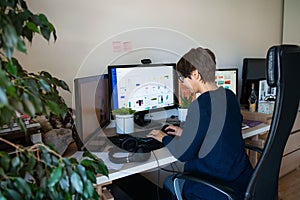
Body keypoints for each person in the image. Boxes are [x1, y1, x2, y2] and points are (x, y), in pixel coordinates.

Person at [147, 47, 253, 200]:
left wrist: (163, 137)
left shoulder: (199, 105)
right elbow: (221, 131)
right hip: (241, 181)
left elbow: (184, 154)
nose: (183, 83)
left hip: (215, 186)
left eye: (184, 78)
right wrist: (185, 133)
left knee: (169, 182)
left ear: (195, 74)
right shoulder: (229, 95)